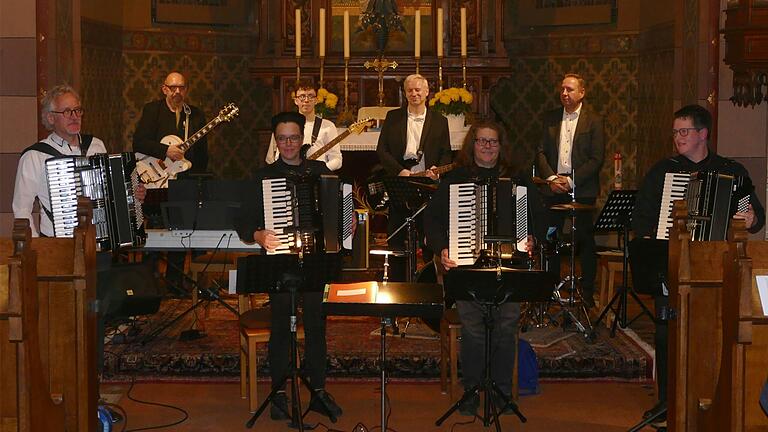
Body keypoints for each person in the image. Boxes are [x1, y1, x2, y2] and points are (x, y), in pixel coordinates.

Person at [12, 84, 146, 424]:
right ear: (49, 118)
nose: (75, 117)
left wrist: (134, 196)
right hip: (58, 252)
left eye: (78, 110)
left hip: (96, 247)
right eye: (68, 112)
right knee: (64, 322)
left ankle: (93, 388)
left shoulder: (95, 146)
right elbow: (21, 210)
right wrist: (41, 248)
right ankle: (64, 390)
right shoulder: (35, 156)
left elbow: (113, 195)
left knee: (95, 317)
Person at [631, 104, 765, 426]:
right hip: (672, 264)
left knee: (715, 331)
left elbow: (755, 216)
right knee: (667, 334)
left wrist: (750, 217)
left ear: (703, 134)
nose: (678, 137)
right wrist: (659, 232)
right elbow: (642, 217)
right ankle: (668, 400)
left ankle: (710, 396)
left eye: (684, 131)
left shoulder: (732, 172)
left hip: (717, 268)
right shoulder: (663, 172)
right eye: (676, 132)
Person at [424, 120, 545, 416]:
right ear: (472, 144)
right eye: (482, 141)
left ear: (501, 146)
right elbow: (433, 221)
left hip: (510, 267)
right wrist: (442, 249)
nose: (487, 147)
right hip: (467, 269)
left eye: (493, 142)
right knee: (474, 329)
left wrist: (532, 238)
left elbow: (540, 216)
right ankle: (471, 389)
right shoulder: (455, 179)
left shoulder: (517, 179)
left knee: (505, 327)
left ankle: (502, 390)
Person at [235, 111, 345, 421]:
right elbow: (243, 221)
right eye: (282, 138)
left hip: (317, 261)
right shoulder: (262, 177)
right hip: (280, 262)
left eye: (293, 138)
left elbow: (338, 209)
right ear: (275, 140)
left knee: (315, 326)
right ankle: (280, 393)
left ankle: (319, 390)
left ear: (303, 140)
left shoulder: (321, 171)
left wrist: (343, 224)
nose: (288, 144)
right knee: (281, 326)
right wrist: (258, 234)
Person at [132, 71, 209, 293]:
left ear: (186, 89)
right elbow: (139, 142)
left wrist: (193, 171)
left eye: (182, 87)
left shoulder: (194, 115)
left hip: (182, 182)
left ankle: (175, 283)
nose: (177, 92)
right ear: (164, 88)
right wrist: (166, 151)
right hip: (154, 180)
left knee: (180, 231)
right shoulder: (152, 110)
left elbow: (202, 154)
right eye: (173, 87)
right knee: (154, 232)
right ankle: (148, 283)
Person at [535, 73, 605, 308]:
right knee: (551, 238)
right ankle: (550, 288)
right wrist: (553, 178)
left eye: (570, 90)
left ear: (582, 93)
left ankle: (586, 292)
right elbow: (541, 152)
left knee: (585, 241)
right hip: (553, 188)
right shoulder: (550, 118)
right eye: (562, 89)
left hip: (581, 189)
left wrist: (571, 181)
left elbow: (597, 159)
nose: (565, 93)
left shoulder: (594, 120)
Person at [376, 74, 452, 278]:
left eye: (418, 90)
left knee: (428, 230)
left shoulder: (440, 120)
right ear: (405, 93)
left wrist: (437, 170)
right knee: (397, 232)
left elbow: (446, 152)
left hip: (428, 183)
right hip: (401, 180)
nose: (414, 93)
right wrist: (401, 171)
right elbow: (382, 151)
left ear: (427, 92)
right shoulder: (393, 117)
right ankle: (397, 282)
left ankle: (428, 279)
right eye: (410, 90)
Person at [265, 80, 342, 171]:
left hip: (317, 179)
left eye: (310, 96)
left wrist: (319, 171)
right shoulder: (284, 125)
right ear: (296, 100)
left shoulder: (328, 126)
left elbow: (337, 159)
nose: (306, 100)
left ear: (316, 100)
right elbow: (274, 157)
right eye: (302, 96)